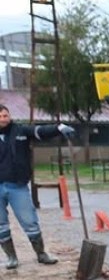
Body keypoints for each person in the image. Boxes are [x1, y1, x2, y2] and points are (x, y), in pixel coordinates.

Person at [0, 103, 74, 269]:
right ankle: (11, 257)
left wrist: (59, 128)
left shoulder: (20, 131)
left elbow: (39, 131)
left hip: (17, 185)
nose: (3, 119)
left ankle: (41, 254)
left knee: (29, 220)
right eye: (0, 117)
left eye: (6, 115)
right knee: (1, 224)